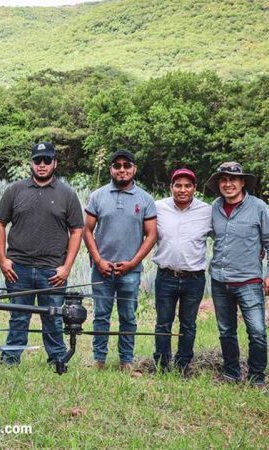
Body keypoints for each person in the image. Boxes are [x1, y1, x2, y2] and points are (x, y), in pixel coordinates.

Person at [0, 142, 84, 367]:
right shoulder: (15, 190)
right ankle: (10, 359)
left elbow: (77, 231)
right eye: (37, 161)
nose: (42, 165)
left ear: (55, 163)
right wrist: (3, 259)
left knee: (53, 317)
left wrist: (67, 267)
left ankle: (57, 358)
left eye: (47, 160)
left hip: (52, 270)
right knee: (18, 316)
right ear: (31, 163)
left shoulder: (67, 194)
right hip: (18, 268)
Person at [205, 162, 269, 387]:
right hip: (219, 280)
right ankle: (231, 373)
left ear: (242, 183)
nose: (228, 184)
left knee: (257, 331)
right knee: (226, 331)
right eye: (223, 180)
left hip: (249, 281)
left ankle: (257, 378)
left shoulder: (258, 207)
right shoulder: (214, 208)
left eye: (232, 180)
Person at [82, 149, 157, 373]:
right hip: (102, 269)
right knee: (101, 316)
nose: (122, 169)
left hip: (130, 271)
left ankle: (126, 361)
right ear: (111, 169)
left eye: (126, 165)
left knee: (128, 316)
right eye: (117, 165)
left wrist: (133, 262)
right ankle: (99, 360)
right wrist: (98, 260)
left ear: (134, 168)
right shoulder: (98, 196)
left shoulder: (145, 199)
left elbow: (151, 234)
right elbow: (87, 230)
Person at [151, 168, 212, 374]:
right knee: (163, 323)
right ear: (171, 187)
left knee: (188, 324)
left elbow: (225, 235)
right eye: (178, 185)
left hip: (194, 278)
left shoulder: (207, 211)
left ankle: (183, 365)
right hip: (166, 275)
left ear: (195, 188)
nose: (182, 190)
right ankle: (161, 365)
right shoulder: (158, 207)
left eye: (187, 186)